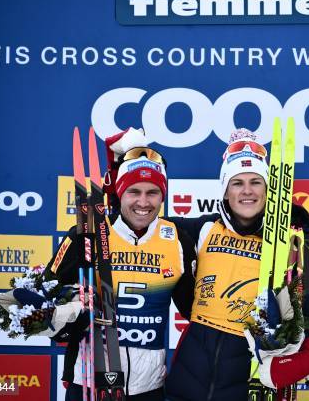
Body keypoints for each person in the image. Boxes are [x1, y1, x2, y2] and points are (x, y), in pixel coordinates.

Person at [165, 129, 309, 401]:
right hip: (190, 374)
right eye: (237, 183)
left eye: (256, 182)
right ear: (225, 191)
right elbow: (143, 229)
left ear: (268, 190)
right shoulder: (201, 229)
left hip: (249, 377)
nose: (247, 191)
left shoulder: (293, 244)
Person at [45, 129, 196, 401]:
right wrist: (64, 311)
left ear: (163, 196)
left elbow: (195, 310)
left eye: (153, 192)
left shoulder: (177, 240)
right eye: (134, 191)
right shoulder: (87, 233)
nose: (143, 202)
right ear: (120, 192)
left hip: (148, 388)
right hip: (90, 384)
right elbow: (45, 292)